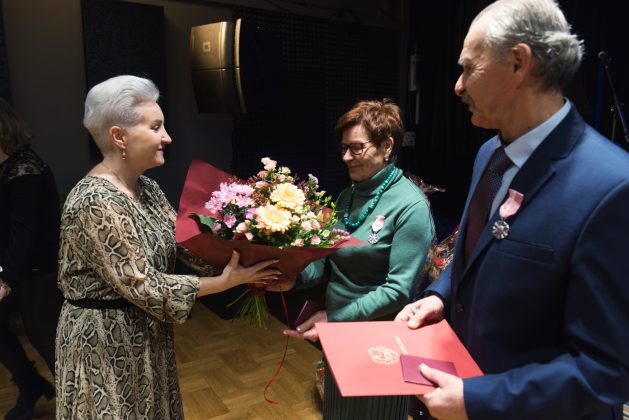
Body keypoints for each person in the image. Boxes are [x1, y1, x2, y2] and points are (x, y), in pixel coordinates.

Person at [395, 1, 629, 419]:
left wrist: (477, 401)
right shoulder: (488, 153)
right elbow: (478, 254)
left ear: (519, 63)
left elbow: (606, 370)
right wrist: (442, 296)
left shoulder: (614, 186)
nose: (458, 86)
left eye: (469, 68)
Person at [55, 75, 281, 419]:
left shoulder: (148, 189)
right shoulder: (94, 201)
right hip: (103, 340)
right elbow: (143, 284)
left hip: (144, 333)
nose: (167, 137)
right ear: (120, 137)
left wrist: (252, 252)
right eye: (156, 127)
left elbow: (186, 248)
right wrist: (225, 283)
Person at [269, 99, 435, 419]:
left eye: (356, 148)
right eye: (344, 148)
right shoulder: (348, 196)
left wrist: (336, 320)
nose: (346, 157)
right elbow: (326, 260)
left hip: (379, 339)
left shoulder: (411, 206)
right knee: (340, 411)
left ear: (387, 146)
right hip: (341, 331)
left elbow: (398, 291)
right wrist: (294, 278)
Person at [0, 97, 62, 420]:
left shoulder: (25, 170)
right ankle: (30, 384)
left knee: (46, 339)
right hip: (16, 266)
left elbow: (24, 235)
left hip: (40, 269)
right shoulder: (6, 167)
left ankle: (83, 401)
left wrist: (5, 281)